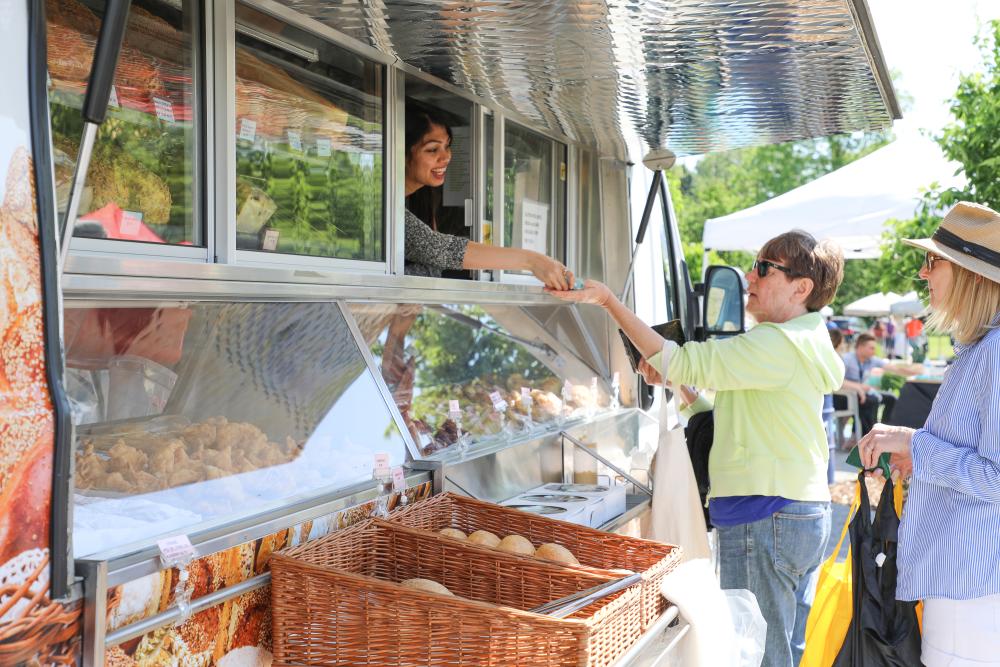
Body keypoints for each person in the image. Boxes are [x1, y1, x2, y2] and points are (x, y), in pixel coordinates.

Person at [550, 230, 845, 667]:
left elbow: (679, 358)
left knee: (755, 651)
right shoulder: (803, 341)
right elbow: (728, 407)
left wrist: (610, 301)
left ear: (801, 288)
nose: (751, 276)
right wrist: (680, 383)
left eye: (765, 268)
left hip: (764, 513)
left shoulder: (775, 343)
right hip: (796, 511)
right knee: (782, 648)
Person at [860, 201, 1000, 666]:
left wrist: (913, 443)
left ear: (970, 274)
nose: (923, 273)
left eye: (932, 261)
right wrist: (918, 454)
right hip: (963, 584)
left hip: (973, 590)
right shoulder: (980, 349)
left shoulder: (995, 353)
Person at [403, 105, 571, 289]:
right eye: (433, 149)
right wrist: (533, 261)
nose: (446, 157)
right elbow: (442, 250)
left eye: (447, 146)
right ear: (401, 152)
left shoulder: (424, 200)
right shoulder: (387, 208)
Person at [837, 332, 922, 435]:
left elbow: (894, 369)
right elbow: (838, 381)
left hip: (863, 393)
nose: (874, 351)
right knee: (871, 401)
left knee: (891, 398)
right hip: (846, 395)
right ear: (860, 347)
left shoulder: (872, 360)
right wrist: (859, 388)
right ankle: (866, 434)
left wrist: (916, 371)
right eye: (871, 348)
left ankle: (884, 430)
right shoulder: (846, 360)